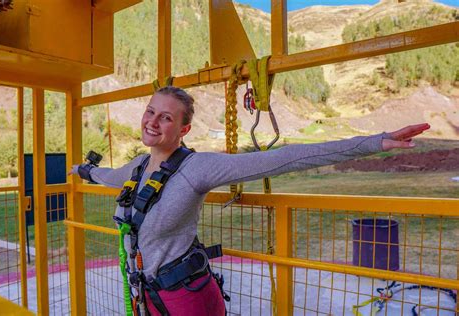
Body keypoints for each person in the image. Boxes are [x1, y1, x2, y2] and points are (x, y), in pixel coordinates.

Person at [70, 86, 430, 315]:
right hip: (147, 298)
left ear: (183, 130)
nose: (153, 122)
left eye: (166, 117)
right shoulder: (137, 166)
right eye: (150, 111)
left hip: (188, 301)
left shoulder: (197, 168)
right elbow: (107, 176)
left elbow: (283, 159)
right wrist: (83, 171)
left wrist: (375, 142)